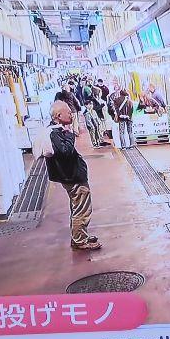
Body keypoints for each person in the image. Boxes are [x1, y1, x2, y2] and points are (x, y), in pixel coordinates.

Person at [45, 100, 101, 250]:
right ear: (58, 116)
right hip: (72, 176)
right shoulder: (56, 133)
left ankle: (80, 235)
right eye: (68, 112)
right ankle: (79, 240)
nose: (71, 115)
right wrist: (70, 134)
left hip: (71, 175)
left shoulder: (57, 131)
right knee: (81, 208)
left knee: (78, 206)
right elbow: (65, 151)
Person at [109, 82, 135, 148]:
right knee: (130, 131)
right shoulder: (130, 101)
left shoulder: (116, 100)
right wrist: (128, 115)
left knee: (121, 132)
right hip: (129, 118)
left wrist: (120, 115)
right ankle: (132, 145)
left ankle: (123, 146)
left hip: (121, 118)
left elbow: (116, 109)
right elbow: (132, 109)